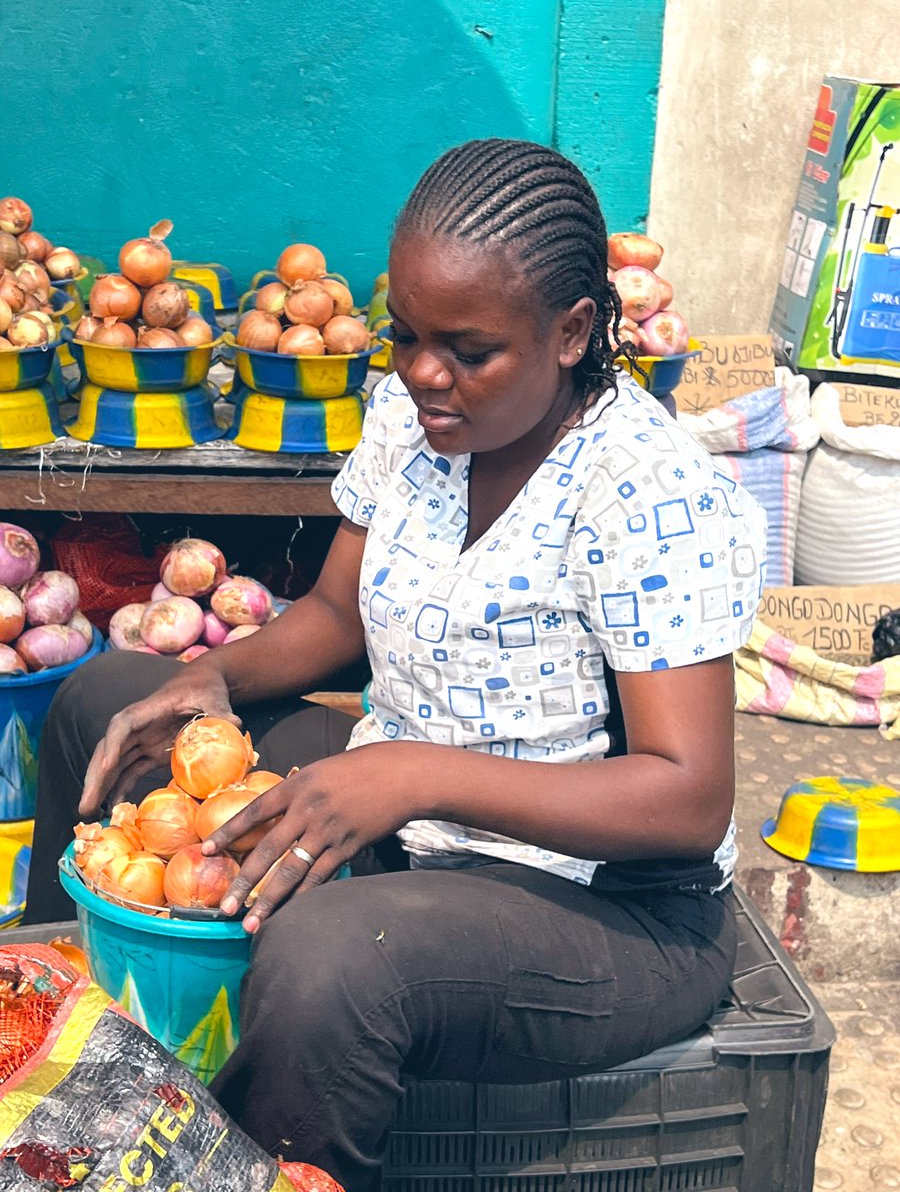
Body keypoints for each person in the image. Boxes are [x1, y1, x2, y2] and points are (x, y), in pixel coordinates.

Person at [25, 138, 767, 1190]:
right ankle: (48, 1075)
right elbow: (335, 613)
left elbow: (687, 797)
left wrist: (408, 776)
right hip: (418, 806)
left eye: (468, 349)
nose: (425, 372)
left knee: (334, 962)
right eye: (408, 337)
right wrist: (220, 679)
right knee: (110, 701)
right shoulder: (416, 425)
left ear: (572, 332)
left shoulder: (647, 492)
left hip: (614, 908)